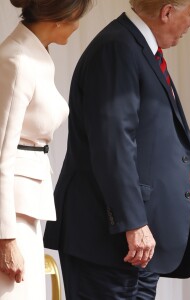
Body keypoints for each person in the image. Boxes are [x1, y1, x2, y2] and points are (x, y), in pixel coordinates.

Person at [43, 0, 190, 298]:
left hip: (129, 250)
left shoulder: (134, 48)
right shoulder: (117, 49)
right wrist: (134, 222)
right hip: (112, 244)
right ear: (167, 11)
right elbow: (113, 143)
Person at [0, 0, 92, 299]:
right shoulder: (17, 60)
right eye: (76, 18)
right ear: (58, 18)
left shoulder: (34, 56)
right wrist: (6, 238)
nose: (77, 26)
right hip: (12, 213)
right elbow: (1, 154)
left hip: (26, 205)